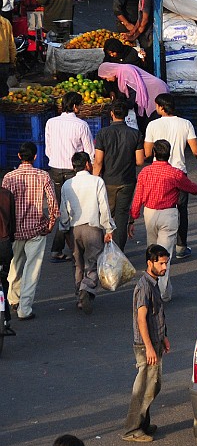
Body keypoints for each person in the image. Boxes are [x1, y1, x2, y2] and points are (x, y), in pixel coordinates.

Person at [129, 141, 197, 302]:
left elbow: (138, 197)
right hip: (168, 214)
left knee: (153, 254)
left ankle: (157, 289)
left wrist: (132, 218)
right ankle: (160, 294)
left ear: (154, 153)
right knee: (163, 257)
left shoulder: (145, 173)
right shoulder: (174, 173)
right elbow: (194, 189)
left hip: (150, 214)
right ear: (169, 154)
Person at [143, 93, 197, 260]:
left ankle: (157, 247)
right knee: (181, 210)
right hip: (178, 172)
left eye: (156, 106)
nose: (156, 109)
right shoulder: (186, 124)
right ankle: (181, 246)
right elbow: (196, 150)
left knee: (161, 206)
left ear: (162, 107)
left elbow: (148, 152)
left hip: (158, 172)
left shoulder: (152, 125)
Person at [2, 141, 59, 320]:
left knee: (15, 266)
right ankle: (24, 309)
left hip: (14, 231)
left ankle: (12, 299)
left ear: (19, 156)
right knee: (31, 270)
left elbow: (3, 206)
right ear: (35, 157)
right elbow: (52, 203)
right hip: (36, 230)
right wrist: (50, 223)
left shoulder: (9, 177)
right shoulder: (42, 175)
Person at [122, 244, 171, 443]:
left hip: (155, 342)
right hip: (145, 346)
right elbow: (141, 319)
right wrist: (150, 347)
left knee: (153, 385)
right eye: (161, 263)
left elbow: (157, 315)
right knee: (143, 389)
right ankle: (132, 429)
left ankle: (143, 424)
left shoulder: (153, 283)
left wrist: (164, 336)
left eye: (166, 263)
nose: (164, 267)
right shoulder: (143, 287)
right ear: (150, 263)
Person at [59, 151, 115, 315]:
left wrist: (64, 229)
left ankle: (79, 296)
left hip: (74, 229)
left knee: (77, 264)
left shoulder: (67, 185)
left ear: (73, 166)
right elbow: (104, 207)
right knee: (92, 263)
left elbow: (64, 210)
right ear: (88, 165)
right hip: (93, 228)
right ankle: (86, 288)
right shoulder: (97, 181)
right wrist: (109, 228)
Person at [44, 91, 94, 263]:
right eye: (79, 105)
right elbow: (89, 151)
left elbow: (48, 148)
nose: (80, 108)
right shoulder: (81, 125)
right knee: (74, 210)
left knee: (63, 209)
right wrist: (92, 171)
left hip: (56, 169)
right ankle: (68, 248)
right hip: (74, 170)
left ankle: (62, 249)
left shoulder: (51, 122)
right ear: (74, 106)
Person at [94, 99, 145, 250]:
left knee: (105, 215)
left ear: (111, 114)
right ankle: (118, 251)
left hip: (108, 180)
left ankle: (103, 248)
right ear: (126, 115)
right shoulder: (135, 134)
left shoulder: (103, 133)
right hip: (127, 180)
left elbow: (98, 161)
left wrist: (95, 179)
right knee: (122, 217)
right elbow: (140, 160)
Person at [97, 62, 169, 134]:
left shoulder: (125, 71)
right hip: (148, 92)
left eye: (106, 77)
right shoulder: (121, 74)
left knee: (152, 121)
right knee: (144, 124)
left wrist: (122, 107)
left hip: (155, 90)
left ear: (109, 72)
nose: (107, 80)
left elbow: (133, 93)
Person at [125, 0, 155, 73]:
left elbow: (144, 21)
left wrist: (134, 36)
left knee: (149, 60)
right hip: (145, 34)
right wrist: (132, 32)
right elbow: (140, 18)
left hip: (149, 35)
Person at [0, 177, 15, 333]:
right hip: (4, 244)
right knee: (3, 279)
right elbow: (13, 223)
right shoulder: (7, 195)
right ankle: (6, 318)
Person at [0, 12, 15, 98]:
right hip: (4, 63)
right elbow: (11, 45)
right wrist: (12, 62)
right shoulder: (6, 22)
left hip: (4, 63)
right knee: (3, 90)